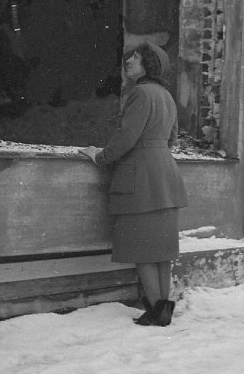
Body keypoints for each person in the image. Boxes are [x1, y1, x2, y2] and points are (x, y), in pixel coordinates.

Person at [80, 42, 187, 327]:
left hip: (141, 179)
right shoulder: (166, 95)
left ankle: (156, 309)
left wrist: (100, 156)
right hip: (165, 175)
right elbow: (172, 138)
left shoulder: (140, 93)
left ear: (148, 65)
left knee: (142, 249)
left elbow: (127, 136)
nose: (129, 60)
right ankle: (162, 308)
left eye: (136, 57)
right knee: (161, 250)